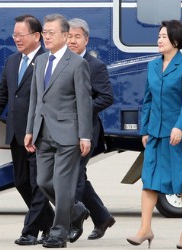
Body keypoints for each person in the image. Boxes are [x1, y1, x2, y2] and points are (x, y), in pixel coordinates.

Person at [126, 20, 182, 249]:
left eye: (163, 37)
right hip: (155, 133)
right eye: (158, 36)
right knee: (150, 181)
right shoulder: (152, 66)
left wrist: (179, 126)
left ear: (176, 41)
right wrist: (144, 129)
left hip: (179, 134)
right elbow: (147, 100)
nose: (158, 40)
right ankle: (145, 229)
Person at [0, 14, 54, 245]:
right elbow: (3, 92)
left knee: (37, 183)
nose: (16, 39)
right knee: (21, 181)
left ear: (37, 36)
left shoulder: (48, 61)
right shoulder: (13, 61)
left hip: (38, 133)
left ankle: (30, 231)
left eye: (20, 35)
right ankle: (50, 224)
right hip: (15, 132)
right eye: (14, 35)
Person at [24, 13, 92, 248]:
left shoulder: (77, 64)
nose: (46, 36)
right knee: (43, 182)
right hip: (42, 133)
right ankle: (76, 211)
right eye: (45, 32)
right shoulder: (41, 61)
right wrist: (30, 129)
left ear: (65, 35)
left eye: (51, 33)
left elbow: (84, 102)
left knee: (63, 186)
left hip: (68, 134)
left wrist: (85, 135)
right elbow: (36, 99)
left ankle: (58, 233)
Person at [66, 18, 115, 242]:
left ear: (86, 39)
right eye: (69, 36)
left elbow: (106, 98)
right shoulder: (60, 63)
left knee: (73, 176)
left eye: (77, 36)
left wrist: (81, 110)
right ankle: (102, 217)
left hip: (86, 132)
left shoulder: (95, 66)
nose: (72, 41)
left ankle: (72, 222)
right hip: (61, 130)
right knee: (78, 177)